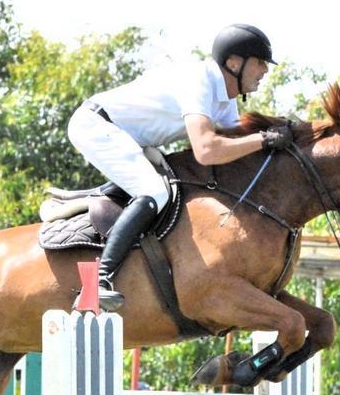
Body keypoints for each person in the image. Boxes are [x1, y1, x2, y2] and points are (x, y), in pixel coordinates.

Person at [67, 24, 287, 311]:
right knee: (155, 192)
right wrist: (263, 139)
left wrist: (281, 130)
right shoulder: (200, 81)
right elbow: (207, 150)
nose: (265, 72)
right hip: (97, 125)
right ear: (234, 62)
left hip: (131, 139)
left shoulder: (224, 100)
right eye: (260, 63)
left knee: (166, 188)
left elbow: (237, 145)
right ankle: (99, 281)